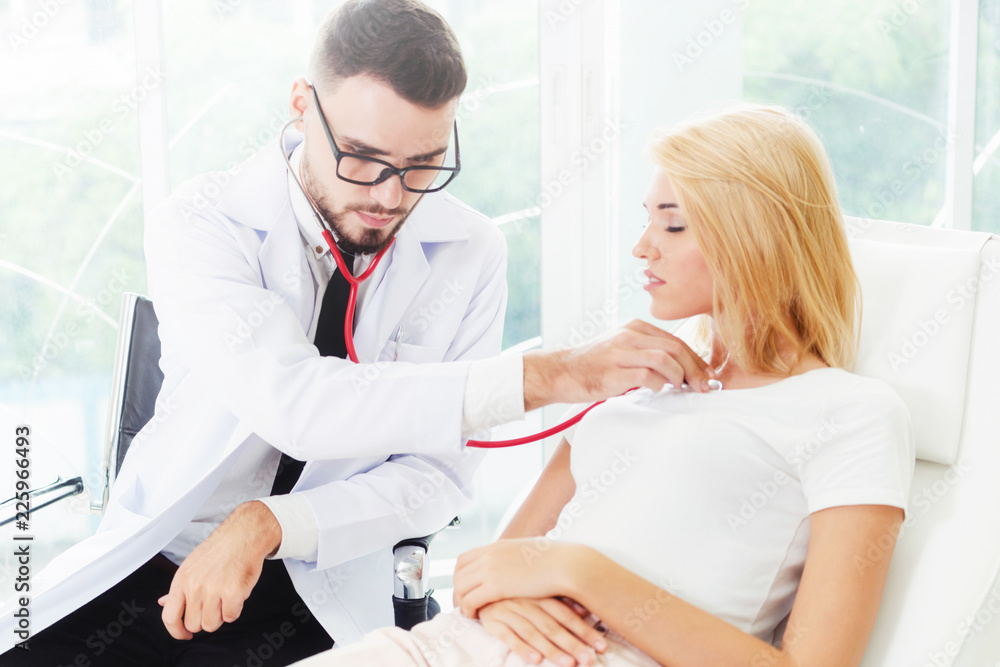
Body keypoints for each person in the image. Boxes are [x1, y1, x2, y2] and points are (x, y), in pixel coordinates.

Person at [0, 1, 708, 665]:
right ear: (303, 105)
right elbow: (298, 406)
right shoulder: (203, 221)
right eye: (363, 159)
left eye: (423, 163)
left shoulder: (470, 251)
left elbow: (436, 477)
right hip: (160, 564)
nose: (389, 196)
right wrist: (553, 373)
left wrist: (272, 522)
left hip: (323, 582)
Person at [290, 104, 916, 667]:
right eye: (648, 221)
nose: (643, 248)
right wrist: (510, 596)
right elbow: (487, 570)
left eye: (673, 226)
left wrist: (580, 571)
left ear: (755, 235)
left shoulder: (850, 413)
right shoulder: (637, 387)